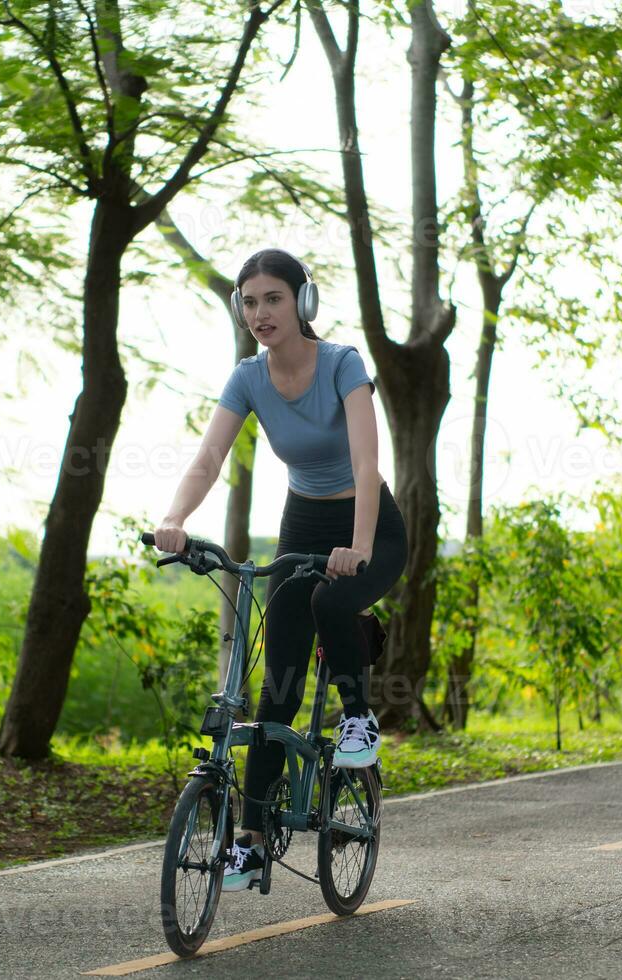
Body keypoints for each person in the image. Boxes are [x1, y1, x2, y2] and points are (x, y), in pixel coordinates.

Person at [152, 248, 408, 893]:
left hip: (369, 523)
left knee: (331, 601)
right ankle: (254, 838)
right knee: (276, 695)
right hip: (302, 521)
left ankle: (358, 718)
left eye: (274, 299)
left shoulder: (343, 366)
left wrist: (357, 546)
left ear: (303, 302)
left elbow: (364, 460)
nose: (261, 312)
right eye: (250, 301)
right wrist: (175, 519)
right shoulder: (248, 377)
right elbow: (209, 458)